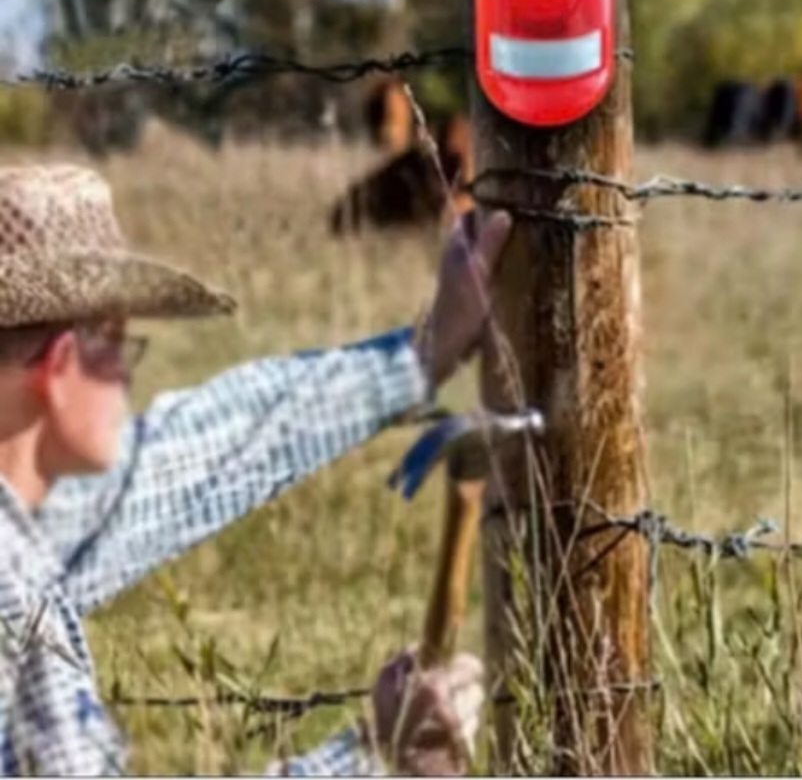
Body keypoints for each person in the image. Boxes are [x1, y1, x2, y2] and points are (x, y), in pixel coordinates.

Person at [0, 162, 514, 776]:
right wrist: (375, 758)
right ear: (60, 371)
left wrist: (422, 356)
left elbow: (197, 454)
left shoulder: (28, 525)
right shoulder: (17, 603)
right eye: (117, 344)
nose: (128, 376)